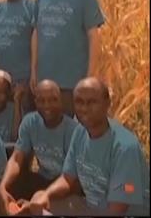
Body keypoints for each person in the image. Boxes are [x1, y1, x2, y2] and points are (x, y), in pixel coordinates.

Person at [27, 77, 150, 216]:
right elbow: (67, 179)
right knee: (37, 208)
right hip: (91, 207)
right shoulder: (80, 132)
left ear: (107, 104)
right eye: (79, 102)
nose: (84, 108)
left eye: (92, 102)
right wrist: (46, 194)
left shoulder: (124, 147)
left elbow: (116, 211)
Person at [31, 0, 105, 116]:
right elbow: (36, 33)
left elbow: (93, 35)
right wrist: (34, 70)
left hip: (74, 81)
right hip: (46, 83)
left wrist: (90, 75)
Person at [0, 80, 78, 214]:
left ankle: (36, 205)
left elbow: (71, 178)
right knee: (10, 172)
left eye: (52, 100)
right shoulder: (30, 121)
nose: (47, 105)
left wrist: (44, 195)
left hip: (65, 183)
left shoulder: (74, 130)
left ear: (61, 101)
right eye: (42, 100)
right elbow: (17, 158)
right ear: (35, 102)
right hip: (42, 177)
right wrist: (3, 185)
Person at [0, 0, 35, 111]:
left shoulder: (30, 7)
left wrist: (33, 75)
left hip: (24, 76)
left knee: (23, 112)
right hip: (2, 79)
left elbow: (37, 40)